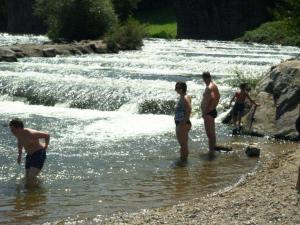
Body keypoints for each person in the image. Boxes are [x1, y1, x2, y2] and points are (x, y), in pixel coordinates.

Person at [9, 118, 50, 185]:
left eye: (13, 128)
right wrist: (19, 155)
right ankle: (35, 189)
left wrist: (46, 145)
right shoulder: (17, 134)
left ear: (19, 127)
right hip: (29, 155)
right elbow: (20, 143)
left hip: (39, 154)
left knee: (31, 177)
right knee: (27, 177)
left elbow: (47, 135)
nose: (11, 131)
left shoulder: (30, 133)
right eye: (11, 128)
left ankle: (36, 192)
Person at [201, 71, 220, 157]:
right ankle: (212, 151)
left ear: (204, 78)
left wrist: (207, 109)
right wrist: (213, 106)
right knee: (212, 132)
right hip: (211, 111)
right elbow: (218, 96)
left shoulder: (209, 87)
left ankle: (211, 152)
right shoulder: (214, 85)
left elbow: (213, 97)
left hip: (208, 113)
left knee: (210, 134)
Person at [174, 81, 192, 164]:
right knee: (183, 144)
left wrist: (183, 122)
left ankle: (184, 162)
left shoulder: (184, 98)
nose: (175, 90)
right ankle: (183, 160)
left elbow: (189, 109)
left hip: (182, 124)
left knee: (183, 145)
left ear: (181, 89)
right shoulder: (185, 96)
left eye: (177, 88)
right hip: (182, 123)